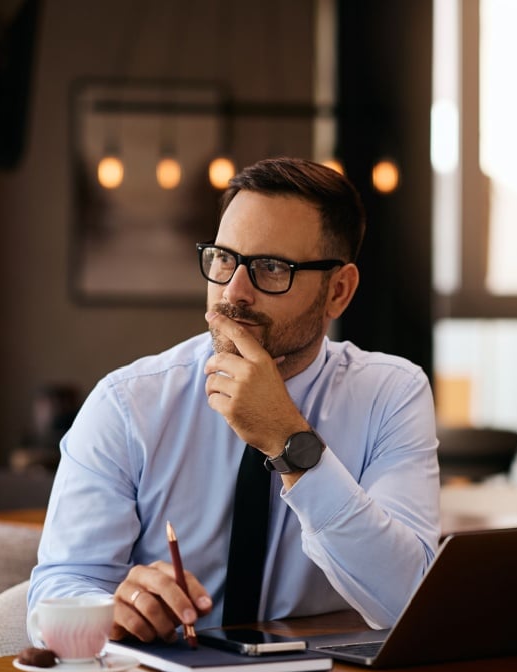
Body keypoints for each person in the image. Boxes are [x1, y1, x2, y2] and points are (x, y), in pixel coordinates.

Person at [28, 157, 440, 645]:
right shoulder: (128, 404)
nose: (233, 292)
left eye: (271, 267)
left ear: (339, 292)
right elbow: (56, 592)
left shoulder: (390, 395)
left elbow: (408, 601)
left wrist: (289, 441)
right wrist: (114, 611)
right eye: (224, 258)